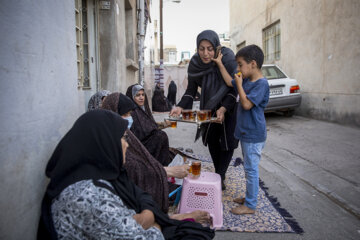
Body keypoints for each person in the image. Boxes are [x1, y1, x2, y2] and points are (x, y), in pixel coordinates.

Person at [37, 110, 215, 239]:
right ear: (103, 142)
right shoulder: (86, 194)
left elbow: (141, 195)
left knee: (196, 231)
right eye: (123, 138)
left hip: (136, 227)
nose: (127, 145)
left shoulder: (107, 173)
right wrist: (152, 220)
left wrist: (148, 217)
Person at [170, 30, 239, 190]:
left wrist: (223, 108)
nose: (206, 53)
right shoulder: (195, 64)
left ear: (216, 47)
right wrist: (180, 106)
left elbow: (235, 87)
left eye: (210, 48)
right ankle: (218, 174)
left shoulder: (227, 58)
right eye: (202, 48)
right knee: (212, 139)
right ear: (197, 48)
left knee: (227, 141)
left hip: (229, 103)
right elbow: (191, 90)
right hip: (208, 104)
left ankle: (220, 176)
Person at [101, 92, 189, 213]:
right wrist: (166, 171)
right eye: (125, 114)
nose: (129, 117)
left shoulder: (123, 133)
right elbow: (130, 170)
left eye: (129, 114)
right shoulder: (108, 140)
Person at [220, 44, 269, 215]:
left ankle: (250, 205)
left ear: (253, 64)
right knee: (249, 167)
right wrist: (219, 63)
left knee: (251, 169)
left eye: (240, 64)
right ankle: (249, 196)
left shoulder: (261, 84)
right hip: (246, 133)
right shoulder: (247, 79)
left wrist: (240, 85)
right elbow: (228, 81)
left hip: (254, 135)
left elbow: (247, 104)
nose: (238, 68)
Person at [126, 84, 172, 166]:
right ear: (132, 97)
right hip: (139, 146)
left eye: (143, 95)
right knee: (161, 136)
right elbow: (142, 132)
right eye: (138, 95)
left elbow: (150, 125)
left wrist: (164, 125)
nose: (141, 98)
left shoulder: (143, 109)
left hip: (147, 141)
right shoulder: (131, 112)